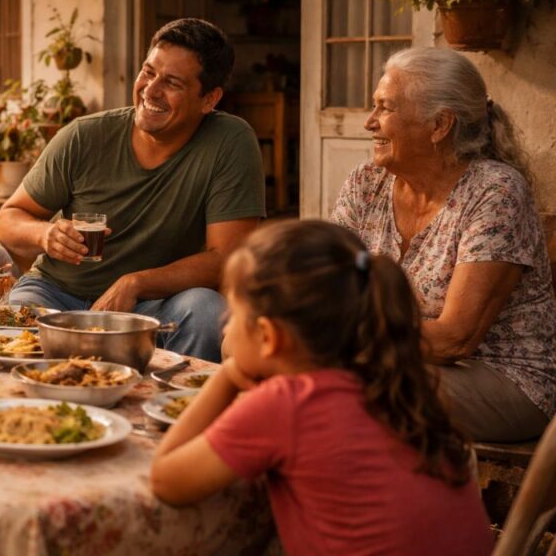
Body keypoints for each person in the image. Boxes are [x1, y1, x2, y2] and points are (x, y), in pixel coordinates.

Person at [151, 220, 493, 555]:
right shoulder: (399, 385)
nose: (225, 326)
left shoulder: (286, 404)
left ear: (269, 337)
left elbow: (166, 481)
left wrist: (225, 378)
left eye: (233, 315)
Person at [0, 18, 264, 362]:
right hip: (55, 294)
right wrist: (45, 234)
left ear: (208, 99)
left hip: (150, 304)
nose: (150, 91)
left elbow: (229, 257)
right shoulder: (84, 136)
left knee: (206, 309)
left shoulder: (229, 142)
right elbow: (8, 219)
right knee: (13, 331)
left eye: (172, 83)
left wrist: (135, 283)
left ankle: (175, 411)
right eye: (148, 72)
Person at [331, 47, 555, 442]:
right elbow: (327, 283)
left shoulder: (495, 192)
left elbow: (456, 337)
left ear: (439, 125)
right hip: (393, 358)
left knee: (343, 390)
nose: (370, 122)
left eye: (385, 108)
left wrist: (335, 340)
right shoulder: (366, 183)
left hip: (501, 377)